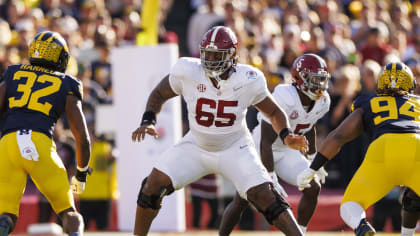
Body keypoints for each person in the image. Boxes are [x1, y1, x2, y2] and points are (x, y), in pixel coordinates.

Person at [131, 26, 308, 236]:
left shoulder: (248, 78)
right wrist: (148, 120)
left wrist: (286, 135)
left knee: (267, 197)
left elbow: (274, 112)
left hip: (235, 146)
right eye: (207, 53)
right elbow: (159, 92)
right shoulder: (188, 70)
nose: (210, 59)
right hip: (196, 145)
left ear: (233, 54)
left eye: (217, 54)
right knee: (151, 187)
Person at [297, 61, 420, 236]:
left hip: (383, 149)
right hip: (418, 148)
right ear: (411, 84)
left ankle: (362, 227)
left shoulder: (369, 101)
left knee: (350, 205)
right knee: (414, 198)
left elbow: (339, 136)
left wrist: (313, 167)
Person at [219, 53, 331, 235]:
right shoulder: (284, 95)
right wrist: (270, 175)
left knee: (313, 187)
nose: (319, 85)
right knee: (241, 201)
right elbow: (266, 141)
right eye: (314, 79)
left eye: (321, 79)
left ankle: (300, 232)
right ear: (299, 78)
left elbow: (309, 124)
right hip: (259, 148)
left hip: (286, 151)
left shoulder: (323, 101)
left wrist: (312, 158)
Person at [0, 31, 91, 236]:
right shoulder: (67, 83)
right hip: (39, 142)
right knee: (69, 213)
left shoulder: (13, 72)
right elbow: (82, 136)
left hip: (8, 143)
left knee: (6, 216)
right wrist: (81, 172)